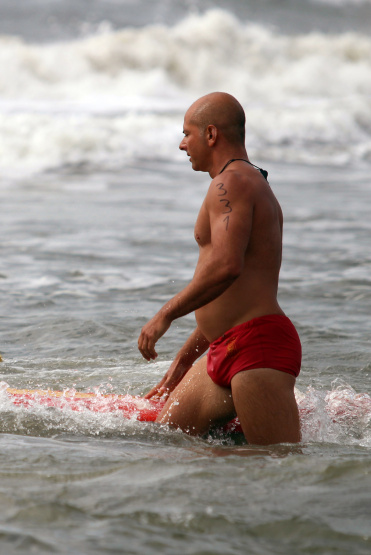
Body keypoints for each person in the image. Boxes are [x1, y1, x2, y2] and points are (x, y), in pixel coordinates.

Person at [137, 92, 301, 445]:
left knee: (277, 465)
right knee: (167, 443)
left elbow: (227, 266)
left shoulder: (231, 184)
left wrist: (165, 314)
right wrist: (184, 360)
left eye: (187, 133)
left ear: (211, 134)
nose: (182, 144)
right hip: (226, 347)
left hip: (256, 349)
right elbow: (232, 296)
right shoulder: (246, 181)